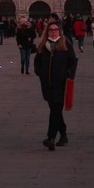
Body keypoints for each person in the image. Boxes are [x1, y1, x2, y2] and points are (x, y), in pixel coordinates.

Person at [34, 21, 78, 151]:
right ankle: (63, 134)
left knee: (55, 110)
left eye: (55, 30)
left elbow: (73, 61)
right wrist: (40, 73)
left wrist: (69, 75)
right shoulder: (43, 45)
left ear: (59, 31)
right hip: (47, 83)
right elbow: (37, 62)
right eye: (51, 30)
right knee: (55, 110)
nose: (53, 32)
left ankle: (51, 138)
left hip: (61, 82)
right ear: (47, 32)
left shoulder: (65, 44)